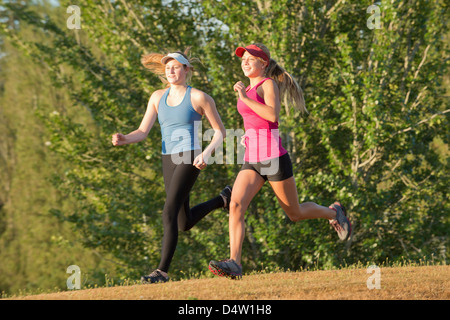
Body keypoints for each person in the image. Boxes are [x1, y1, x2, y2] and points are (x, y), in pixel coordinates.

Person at [208, 44, 352, 280]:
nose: (244, 62)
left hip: (274, 158)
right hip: (252, 159)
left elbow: (272, 116)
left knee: (294, 213)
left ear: (263, 63)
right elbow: (254, 121)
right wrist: (248, 136)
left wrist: (244, 97)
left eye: (250, 59)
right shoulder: (250, 87)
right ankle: (234, 263)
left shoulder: (267, 84)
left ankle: (333, 212)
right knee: (235, 205)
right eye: (243, 59)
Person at [112, 48, 231, 283]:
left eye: (176, 66)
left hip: (189, 156)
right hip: (168, 157)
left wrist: (206, 153)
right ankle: (222, 199)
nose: (171, 70)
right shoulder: (157, 97)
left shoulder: (198, 97)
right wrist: (125, 138)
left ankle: (162, 272)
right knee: (183, 222)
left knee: (168, 210)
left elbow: (220, 132)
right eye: (168, 67)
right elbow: (143, 131)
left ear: (186, 70)